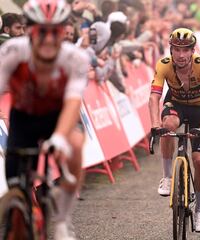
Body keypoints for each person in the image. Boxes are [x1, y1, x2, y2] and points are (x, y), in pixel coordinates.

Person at [0, 0, 90, 239]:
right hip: (24, 119)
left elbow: (73, 102)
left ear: (64, 31)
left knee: (76, 144)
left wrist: (60, 137)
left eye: (55, 31)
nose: (49, 39)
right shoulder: (12, 52)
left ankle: (62, 221)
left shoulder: (76, 58)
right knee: (17, 195)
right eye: (41, 30)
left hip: (58, 116)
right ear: (29, 30)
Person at [149, 28, 200, 232]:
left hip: (199, 109)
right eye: (176, 49)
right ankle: (168, 177)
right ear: (171, 50)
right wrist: (154, 125)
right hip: (176, 104)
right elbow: (154, 97)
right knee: (167, 126)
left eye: (185, 50)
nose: (181, 55)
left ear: (192, 50)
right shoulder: (163, 65)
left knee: (198, 160)